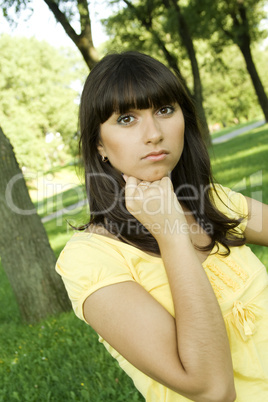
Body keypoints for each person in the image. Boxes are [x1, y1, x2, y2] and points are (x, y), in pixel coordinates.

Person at [56, 51, 268, 401]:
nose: (153, 133)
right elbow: (213, 390)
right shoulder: (88, 260)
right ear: (99, 144)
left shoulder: (211, 200)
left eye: (165, 110)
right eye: (126, 119)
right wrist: (170, 233)